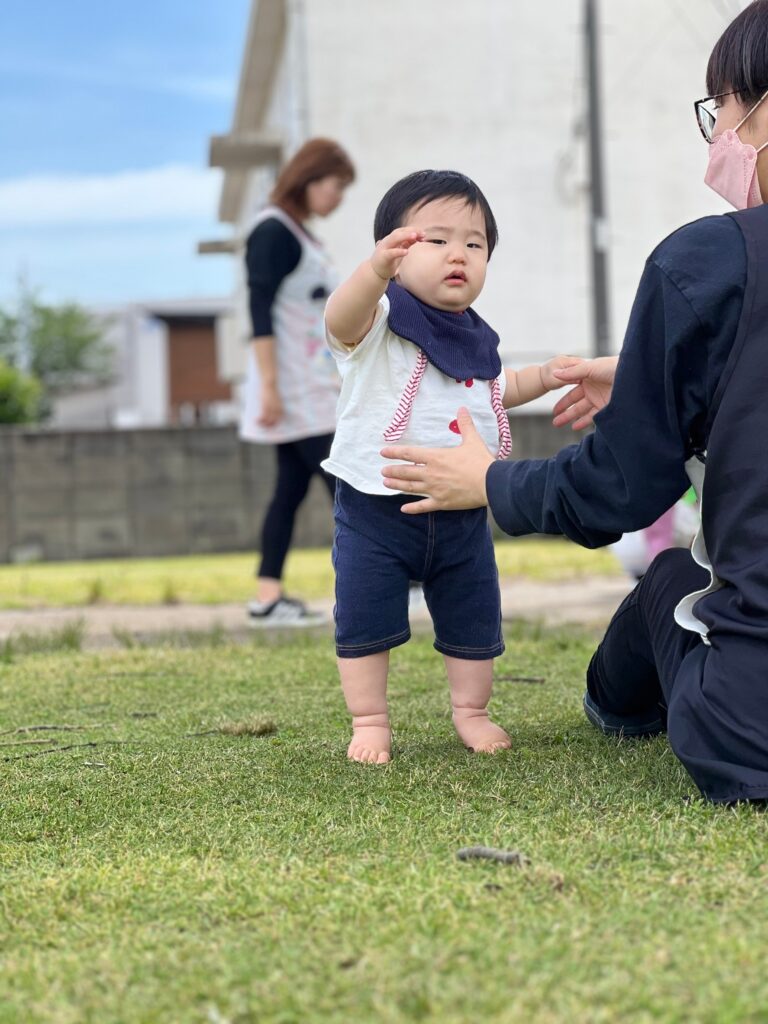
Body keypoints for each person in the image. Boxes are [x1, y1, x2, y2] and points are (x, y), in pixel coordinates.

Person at [379, 1, 768, 804]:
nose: (716, 141)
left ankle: (614, 704)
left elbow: (616, 490)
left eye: (720, 112)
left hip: (752, 727)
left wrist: (490, 482)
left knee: (671, 577)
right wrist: (653, 375)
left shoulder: (709, 262)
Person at [323, 169, 581, 764]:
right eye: (435, 240)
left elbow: (495, 388)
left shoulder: (474, 337)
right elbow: (339, 320)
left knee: (473, 613)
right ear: (396, 251)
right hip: (375, 510)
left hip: (462, 509)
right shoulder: (378, 321)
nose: (457, 254)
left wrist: (544, 376)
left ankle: (472, 711)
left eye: (475, 243)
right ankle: (369, 719)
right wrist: (372, 273)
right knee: (364, 615)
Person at [241, 138, 355, 627]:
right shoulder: (273, 232)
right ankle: (394, 585)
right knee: (348, 485)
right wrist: (269, 387)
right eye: (335, 186)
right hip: (296, 389)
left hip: (313, 384)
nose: (338, 197)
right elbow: (259, 314)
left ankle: (268, 599)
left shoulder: (301, 234)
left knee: (289, 491)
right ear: (308, 180)